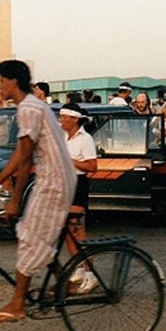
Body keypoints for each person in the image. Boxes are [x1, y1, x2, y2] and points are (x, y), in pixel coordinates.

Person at [0, 60, 76, 324]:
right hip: (56, 177)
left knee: (29, 236)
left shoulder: (28, 109)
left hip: (53, 181)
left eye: (1, 81)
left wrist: (13, 200)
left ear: (13, 82)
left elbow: (24, 161)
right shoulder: (33, 105)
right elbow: (20, 154)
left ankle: (18, 303)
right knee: (39, 234)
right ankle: (65, 281)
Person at [58, 103, 99, 294]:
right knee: (67, 233)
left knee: (79, 234)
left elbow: (92, 166)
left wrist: (69, 160)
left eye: (64, 117)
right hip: (64, 185)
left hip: (78, 185)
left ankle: (92, 275)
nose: (61, 120)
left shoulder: (86, 139)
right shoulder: (62, 136)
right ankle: (79, 269)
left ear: (74, 119)